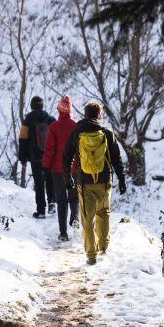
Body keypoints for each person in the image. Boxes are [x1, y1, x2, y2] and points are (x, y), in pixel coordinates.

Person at [62, 102, 126, 265]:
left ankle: (91, 255)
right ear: (99, 115)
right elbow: (116, 159)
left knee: (87, 218)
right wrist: (122, 179)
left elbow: (67, 156)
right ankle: (103, 246)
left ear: (85, 114)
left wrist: (68, 178)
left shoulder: (76, 132)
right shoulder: (106, 132)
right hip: (104, 180)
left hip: (84, 181)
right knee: (103, 212)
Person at [42, 95, 79, 242]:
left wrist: (45, 166)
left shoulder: (53, 127)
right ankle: (75, 217)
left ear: (59, 110)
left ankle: (63, 233)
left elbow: (50, 149)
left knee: (61, 200)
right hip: (74, 168)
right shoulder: (76, 126)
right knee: (74, 196)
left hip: (57, 169)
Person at [18, 96, 56, 218]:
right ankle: (52, 202)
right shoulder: (51, 120)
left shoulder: (27, 121)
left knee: (39, 183)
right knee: (50, 179)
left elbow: (23, 140)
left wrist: (22, 158)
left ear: (32, 106)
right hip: (49, 156)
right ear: (42, 106)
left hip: (35, 157)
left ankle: (41, 211)